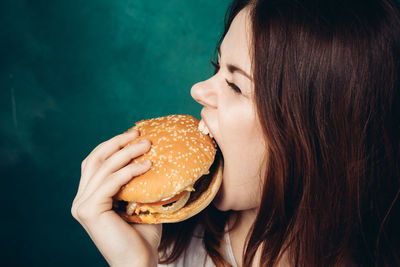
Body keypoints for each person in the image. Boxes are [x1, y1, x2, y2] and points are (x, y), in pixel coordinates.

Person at [71, 0, 400, 266]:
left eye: (235, 84)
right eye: (217, 68)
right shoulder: (161, 246)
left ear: (318, 137)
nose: (198, 90)